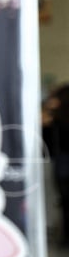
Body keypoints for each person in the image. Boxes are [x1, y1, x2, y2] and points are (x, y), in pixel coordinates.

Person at [43, 83, 69, 246]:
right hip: (63, 163)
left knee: (65, 202)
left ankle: (66, 237)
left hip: (63, 164)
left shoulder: (56, 120)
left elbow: (48, 144)